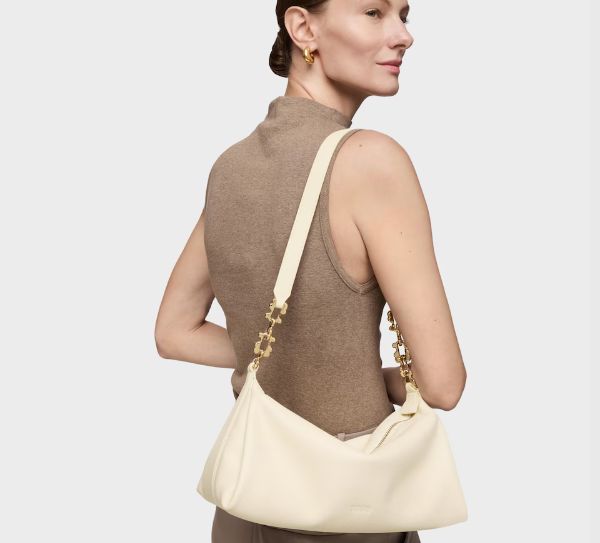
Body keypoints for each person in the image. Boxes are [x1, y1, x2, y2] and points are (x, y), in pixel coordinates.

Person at [155, 0, 467, 541]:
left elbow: (174, 332)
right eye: (373, 13)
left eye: (404, 15)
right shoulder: (372, 159)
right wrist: (356, 372)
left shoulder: (229, 167)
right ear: (303, 27)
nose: (403, 36)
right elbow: (443, 384)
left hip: (245, 503)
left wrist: (293, 355)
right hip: (348, 507)